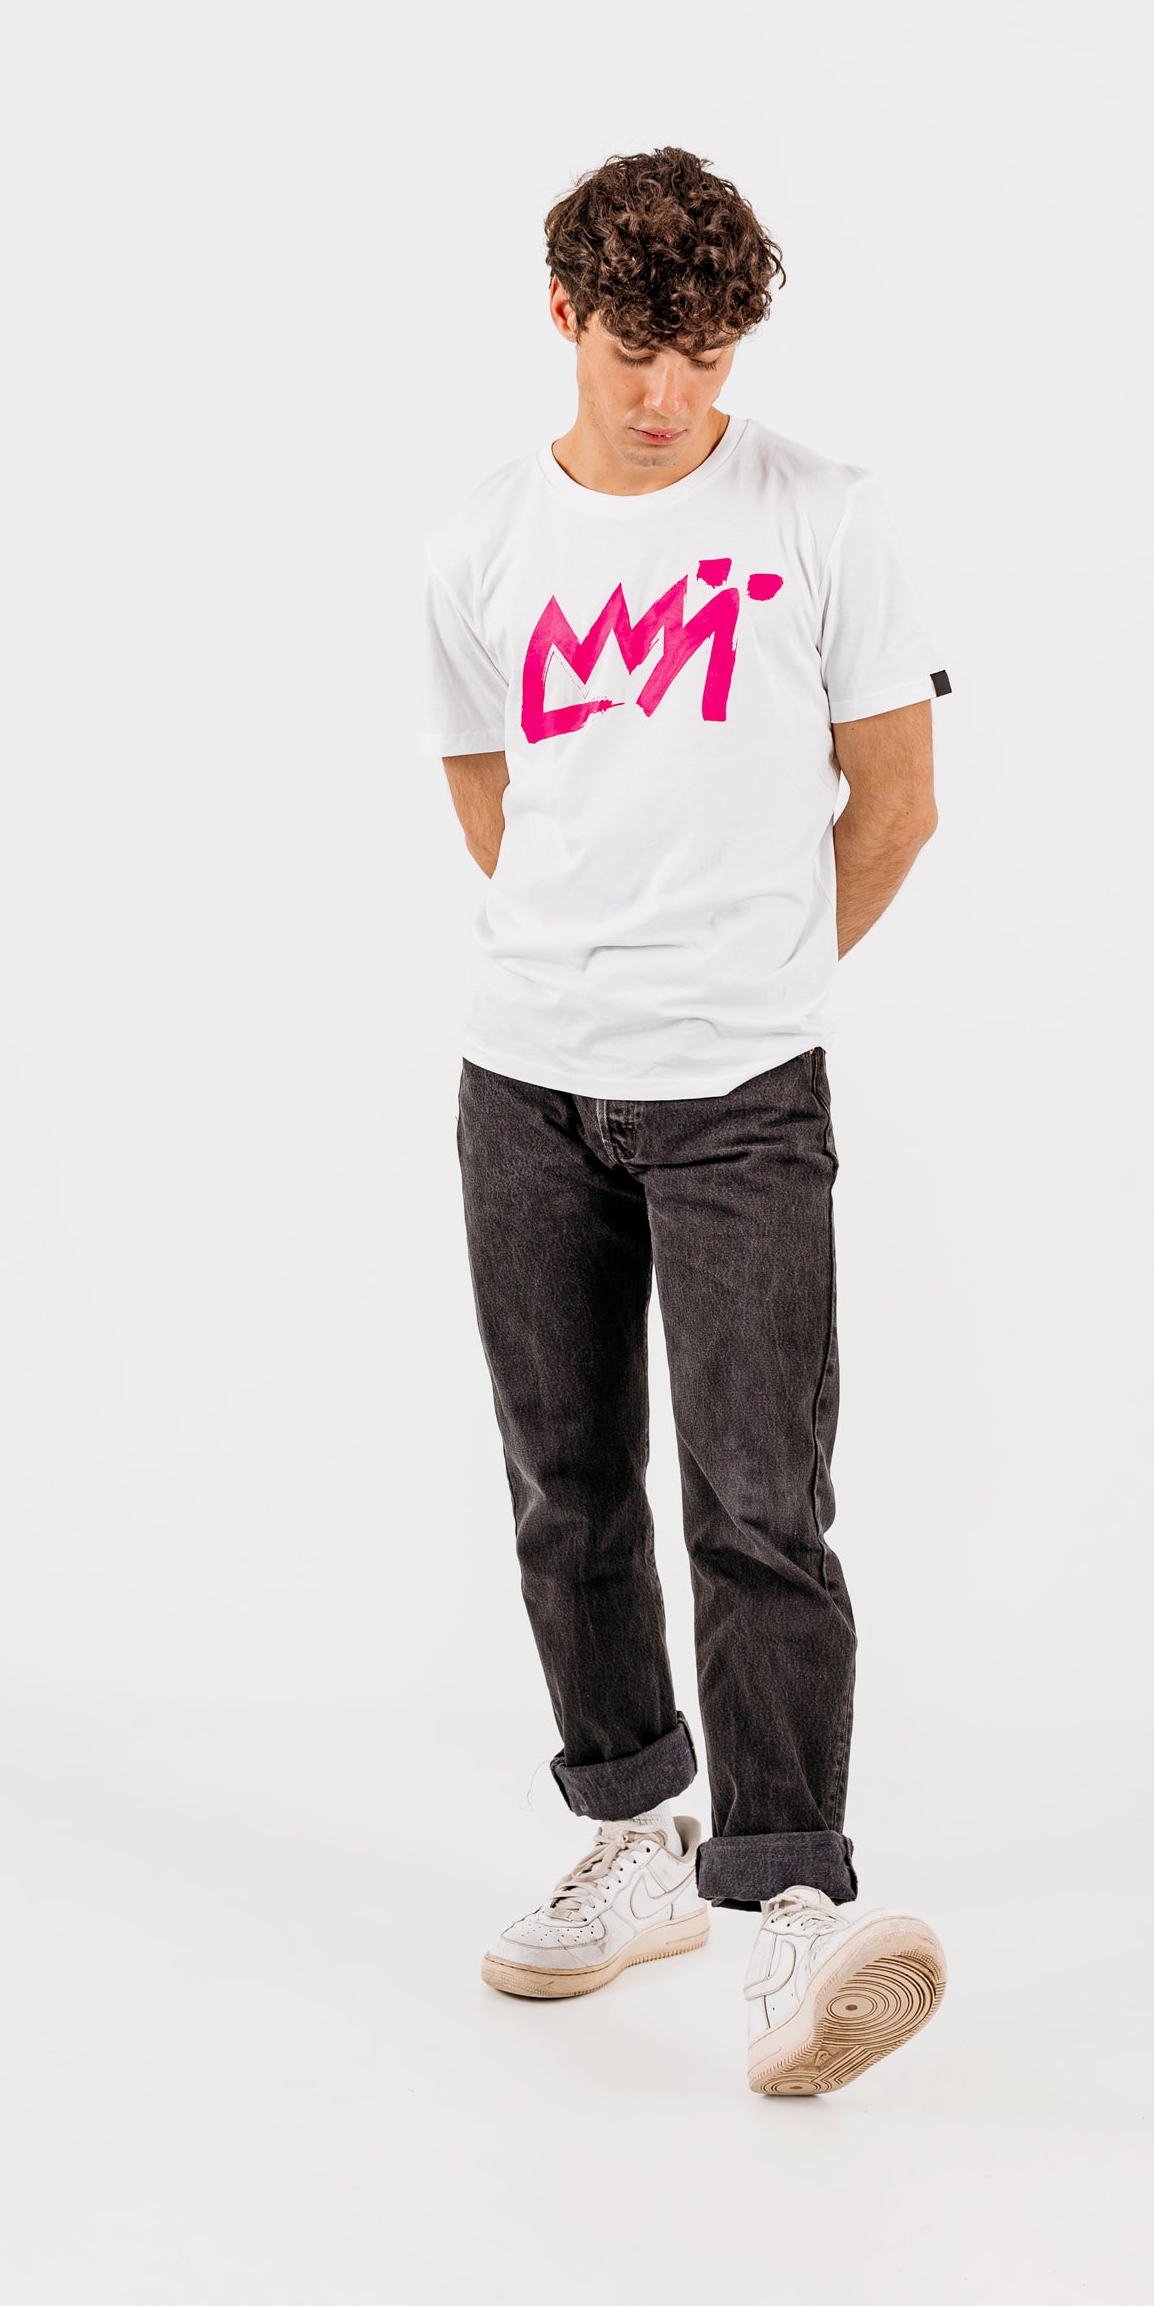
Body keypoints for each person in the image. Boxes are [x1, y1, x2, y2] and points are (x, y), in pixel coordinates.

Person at [424, 147, 950, 2097]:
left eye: (710, 356)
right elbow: (490, 784)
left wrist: (752, 982)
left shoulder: (824, 514)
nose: (671, 394)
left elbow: (894, 802)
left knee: (758, 1501)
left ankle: (791, 1903)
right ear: (564, 314)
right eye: (638, 349)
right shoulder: (483, 540)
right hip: (525, 1085)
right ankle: (635, 1837)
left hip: (740, 1097)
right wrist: (586, 956)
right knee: (565, 1484)